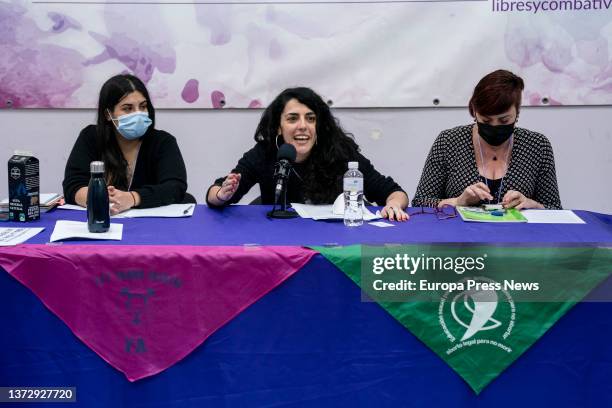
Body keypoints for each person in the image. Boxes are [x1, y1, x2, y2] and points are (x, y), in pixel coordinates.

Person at [206, 87, 409, 221]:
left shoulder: (341, 152)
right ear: (279, 127)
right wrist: (222, 195)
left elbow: (395, 192)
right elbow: (215, 193)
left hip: (335, 244)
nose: (303, 126)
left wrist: (393, 205)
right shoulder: (265, 152)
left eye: (310, 119)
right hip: (283, 244)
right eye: (293, 119)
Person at [412, 69, 562, 210]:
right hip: (460, 236)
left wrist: (532, 204)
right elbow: (420, 202)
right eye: (486, 120)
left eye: (504, 120)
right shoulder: (449, 142)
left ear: (517, 112)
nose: (495, 126)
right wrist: (457, 202)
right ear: (474, 112)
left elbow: (555, 208)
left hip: (518, 236)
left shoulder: (537, 146)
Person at [63, 74, 192, 214]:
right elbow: (73, 186)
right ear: (108, 114)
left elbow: (175, 187)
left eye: (143, 106)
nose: (138, 114)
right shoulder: (90, 137)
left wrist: (132, 198)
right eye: (127, 108)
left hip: (151, 226)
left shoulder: (163, 141)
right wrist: (100, 196)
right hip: (105, 221)